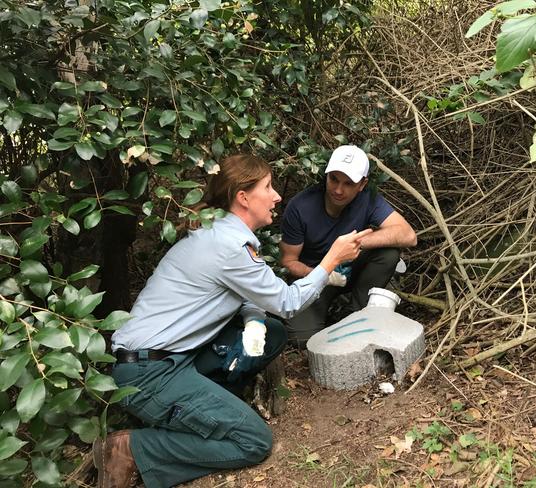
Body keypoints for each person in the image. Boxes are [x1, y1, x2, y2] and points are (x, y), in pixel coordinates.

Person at [93, 154, 371, 488]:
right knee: (253, 442)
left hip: (171, 360)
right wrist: (332, 260)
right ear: (243, 197)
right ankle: (132, 448)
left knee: (271, 332)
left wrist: (254, 319)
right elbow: (287, 302)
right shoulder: (228, 247)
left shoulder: (221, 236)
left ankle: (205, 409)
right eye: (267, 187)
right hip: (150, 373)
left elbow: (243, 294)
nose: (277, 196)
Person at [280, 145, 417, 346]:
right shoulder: (301, 207)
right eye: (333, 179)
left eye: (348, 183)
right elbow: (288, 261)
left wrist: (354, 244)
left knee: (388, 252)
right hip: (313, 278)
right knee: (305, 340)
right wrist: (320, 274)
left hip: (348, 269)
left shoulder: (367, 200)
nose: (338, 190)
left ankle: (357, 314)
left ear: (362, 184)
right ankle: (324, 317)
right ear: (326, 175)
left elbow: (408, 235)